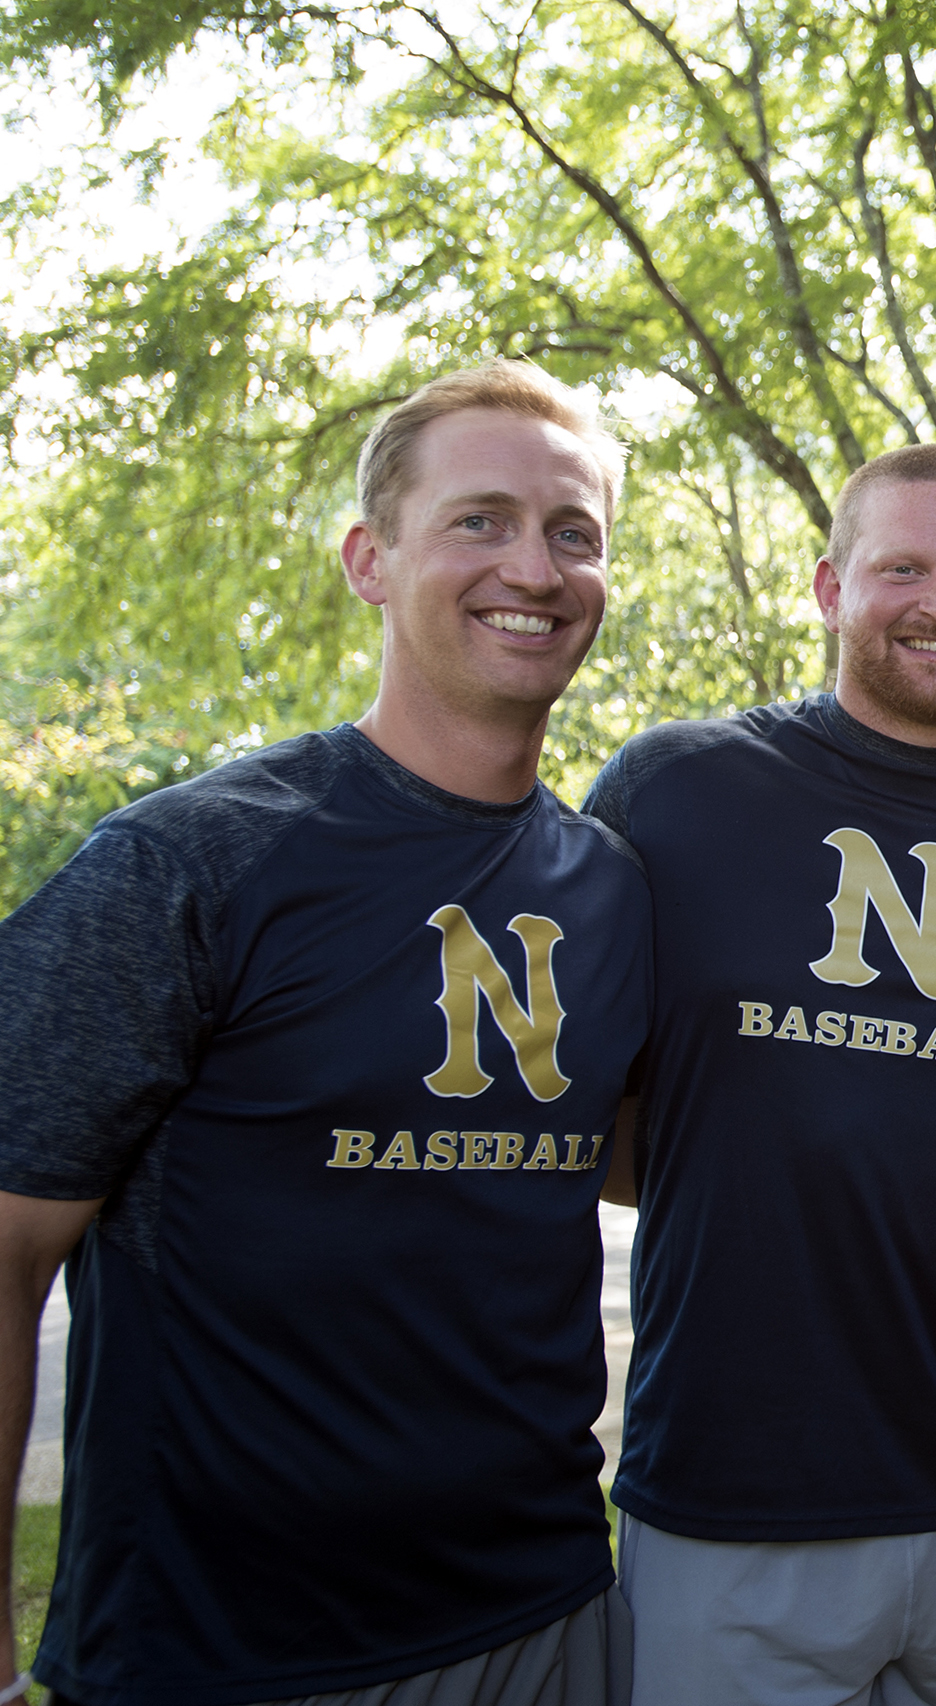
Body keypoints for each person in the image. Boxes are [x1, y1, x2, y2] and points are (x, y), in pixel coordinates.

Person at [0, 360, 650, 1705]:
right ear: (372, 557)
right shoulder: (191, 859)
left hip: (544, 1616)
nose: (532, 564)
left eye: (572, 531)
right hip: (225, 1650)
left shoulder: (611, 885)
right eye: (479, 519)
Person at [582, 444, 936, 1705]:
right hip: (731, 1492)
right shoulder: (677, 789)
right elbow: (578, 1105)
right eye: (902, 568)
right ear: (829, 587)